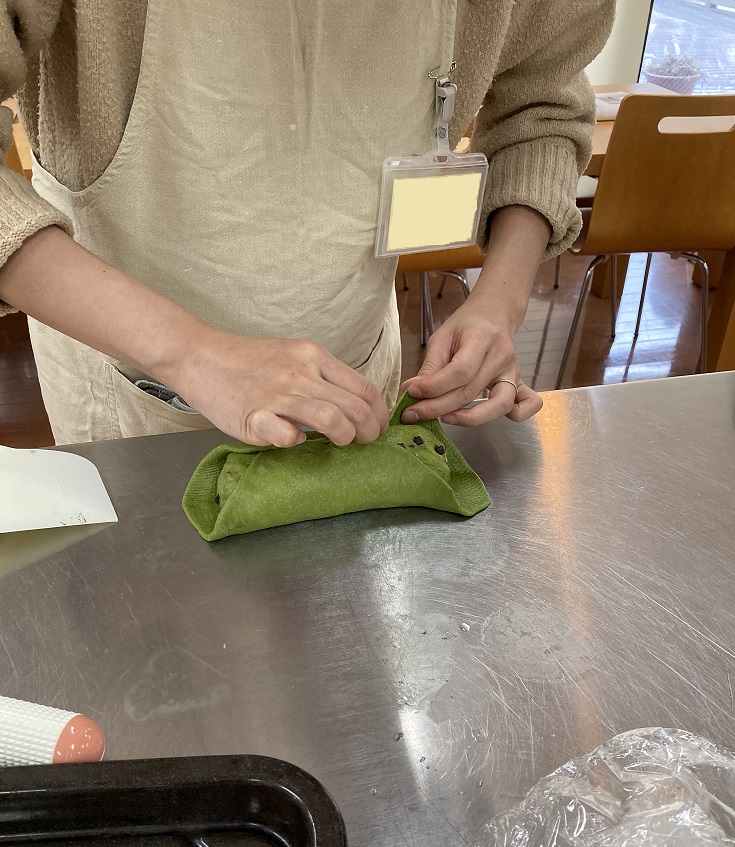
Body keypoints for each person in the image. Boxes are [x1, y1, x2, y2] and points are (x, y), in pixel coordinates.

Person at [0, 0, 614, 448]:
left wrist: (499, 302)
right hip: (131, 374)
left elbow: (543, 102)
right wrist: (190, 352)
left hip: (359, 357)